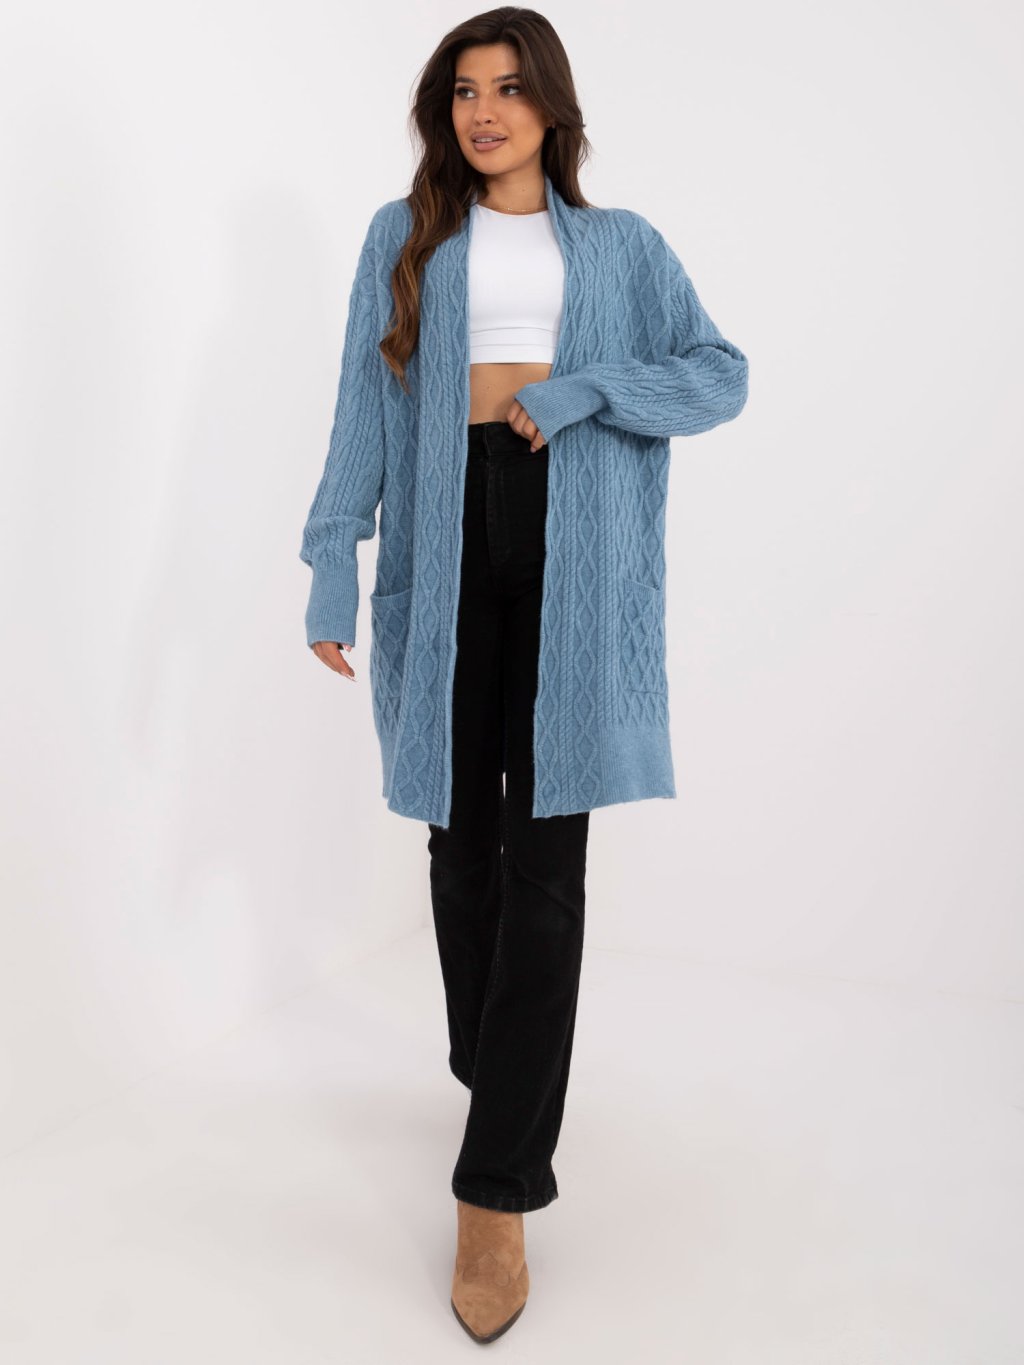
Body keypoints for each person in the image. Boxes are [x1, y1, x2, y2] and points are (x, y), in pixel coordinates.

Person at [299, 7, 749, 1345]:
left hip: (573, 538)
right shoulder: (405, 236)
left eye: (508, 87)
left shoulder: (622, 246)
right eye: (462, 90)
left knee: (546, 860)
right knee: (460, 845)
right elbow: (363, 403)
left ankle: (493, 1191)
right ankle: (499, 1070)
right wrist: (331, 556)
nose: (484, 110)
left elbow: (718, 374)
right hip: (442, 541)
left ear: (553, 105)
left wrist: (583, 391)